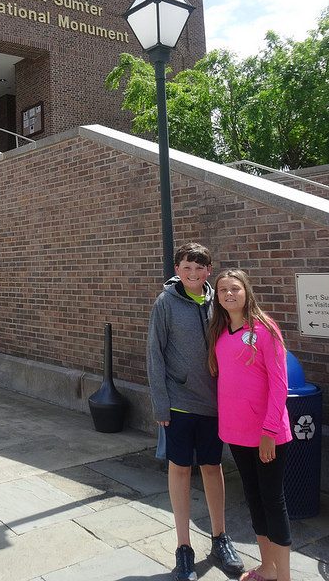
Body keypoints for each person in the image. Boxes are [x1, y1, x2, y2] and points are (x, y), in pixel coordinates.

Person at [147, 242, 244, 581]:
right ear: (177, 269)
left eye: (199, 268)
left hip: (215, 403)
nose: (192, 273)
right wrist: (159, 402)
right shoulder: (165, 303)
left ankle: (220, 538)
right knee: (180, 470)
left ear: (208, 270)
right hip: (178, 402)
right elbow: (155, 354)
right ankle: (184, 547)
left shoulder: (219, 301)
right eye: (186, 267)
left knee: (212, 466)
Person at [209, 268, 292, 581]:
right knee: (254, 499)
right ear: (216, 297)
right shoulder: (219, 331)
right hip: (236, 433)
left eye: (235, 289)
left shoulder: (265, 328)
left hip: (267, 435)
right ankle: (267, 567)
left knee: (273, 500)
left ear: (246, 292)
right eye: (222, 290)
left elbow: (279, 384)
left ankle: (284, 576)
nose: (229, 295)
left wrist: (269, 432)